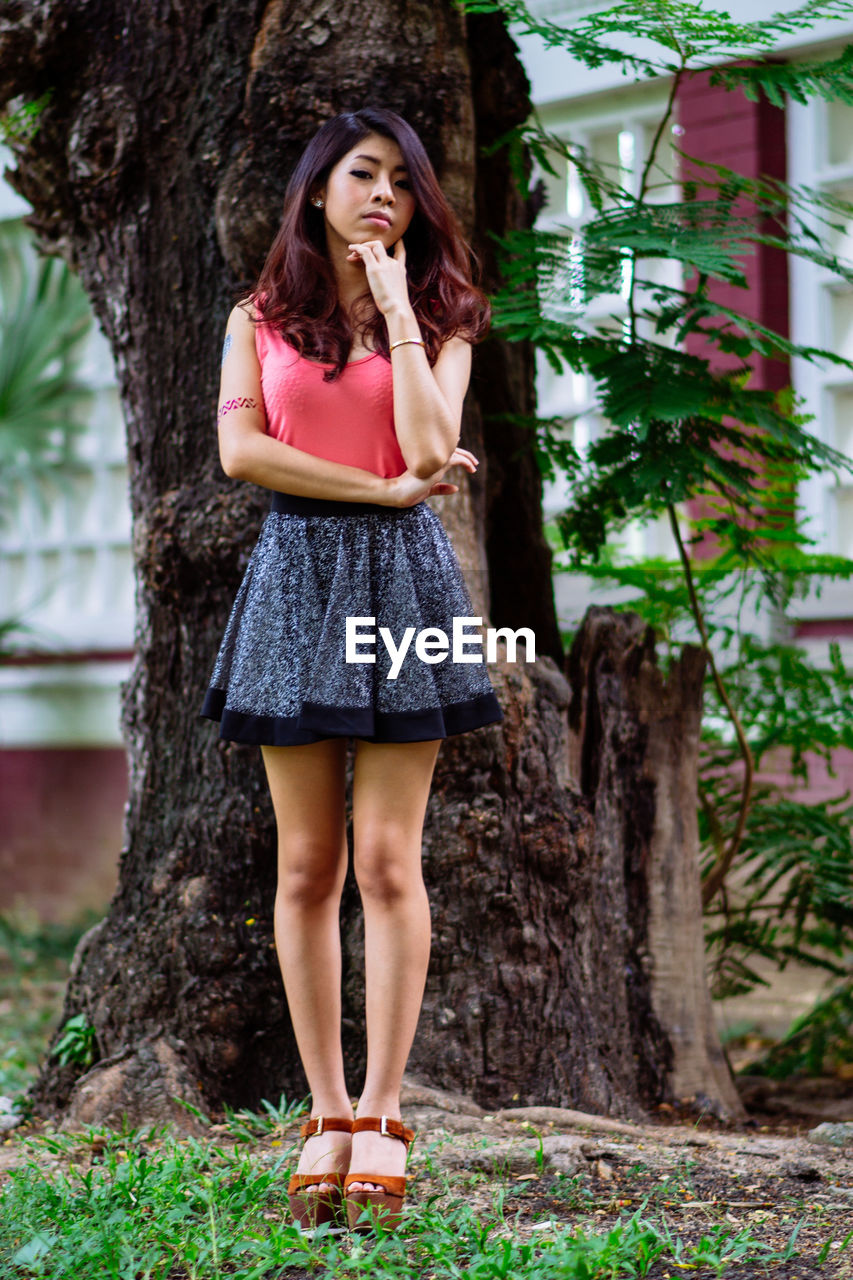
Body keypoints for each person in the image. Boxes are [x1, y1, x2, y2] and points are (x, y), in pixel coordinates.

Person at [201, 106, 503, 1232]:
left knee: (388, 859)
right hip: (292, 580)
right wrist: (374, 489)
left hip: (407, 588)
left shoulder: (445, 317)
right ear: (317, 191)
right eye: (362, 174)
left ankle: (382, 1110)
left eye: (403, 183)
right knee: (305, 864)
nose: (385, 195)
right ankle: (323, 1108)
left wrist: (395, 315)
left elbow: (430, 449)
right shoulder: (258, 318)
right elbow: (241, 451)